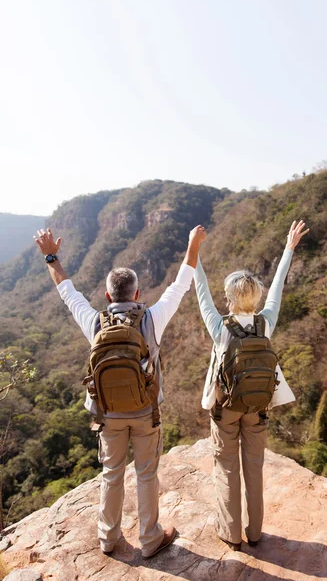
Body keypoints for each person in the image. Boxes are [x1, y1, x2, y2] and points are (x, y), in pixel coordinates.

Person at [34, 224, 206, 558]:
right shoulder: (152, 319)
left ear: (108, 296)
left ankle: (108, 539)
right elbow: (181, 283)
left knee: (111, 474)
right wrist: (193, 245)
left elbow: (67, 292)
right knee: (146, 474)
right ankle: (150, 538)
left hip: (108, 414)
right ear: (137, 295)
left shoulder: (95, 322)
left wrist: (50, 256)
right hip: (145, 413)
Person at [194, 220, 309, 550]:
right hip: (258, 406)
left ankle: (231, 536)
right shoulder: (266, 322)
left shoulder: (220, 327)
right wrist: (289, 248)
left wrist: (195, 253)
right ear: (256, 298)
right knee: (254, 469)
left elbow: (200, 289)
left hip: (225, 409)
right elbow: (278, 287)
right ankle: (255, 533)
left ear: (228, 299)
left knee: (227, 468)